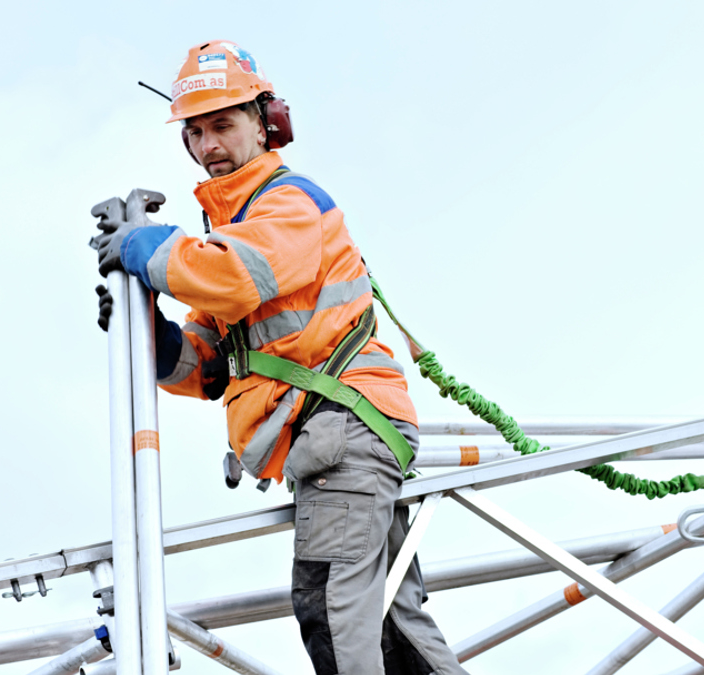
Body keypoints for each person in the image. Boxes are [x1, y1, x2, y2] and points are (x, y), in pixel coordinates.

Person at [92, 40, 469, 675]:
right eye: (196, 132)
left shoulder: (287, 204)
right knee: (390, 631)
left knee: (330, 607)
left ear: (266, 123)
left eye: (223, 125)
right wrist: (153, 337)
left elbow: (237, 278)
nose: (209, 145)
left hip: (345, 431)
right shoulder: (230, 233)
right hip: (342, 438)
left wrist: (149, 248)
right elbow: (210, 365)